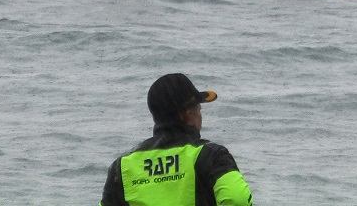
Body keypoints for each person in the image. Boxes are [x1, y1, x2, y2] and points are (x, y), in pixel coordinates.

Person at [100, 73, 253, 206]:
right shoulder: (210, 155)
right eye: (199, 109)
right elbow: (238, 200)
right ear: (187, 115)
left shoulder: (122, 166)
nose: (200, 116)